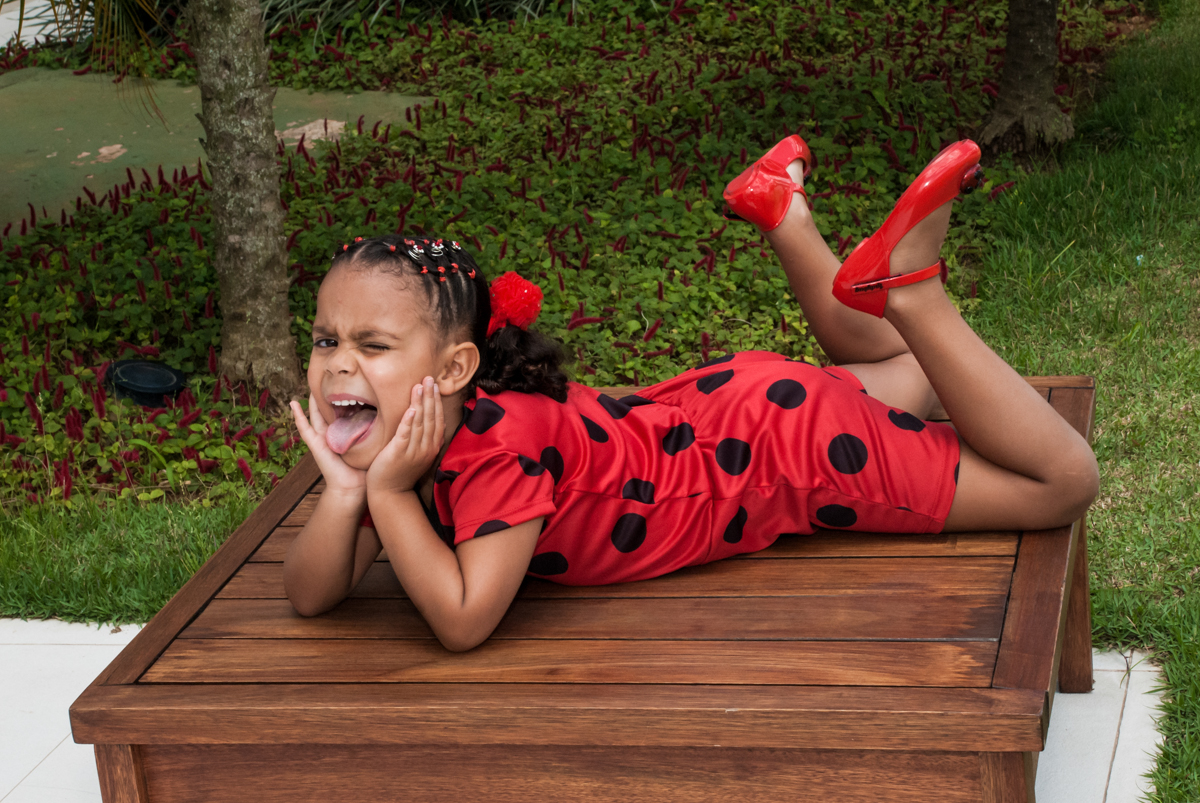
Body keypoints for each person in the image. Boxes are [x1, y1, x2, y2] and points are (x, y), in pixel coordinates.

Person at [284, 136, 1100, 652]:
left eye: (372, 345)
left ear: (457, 368)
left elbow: (464, 620)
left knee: (1062, 482)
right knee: (913, 372)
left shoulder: (493, 450)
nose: (338, 365)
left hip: (784, 453)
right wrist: (350, 492)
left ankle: (913, 292)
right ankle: (784, 212)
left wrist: (386, 494)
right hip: (737, 411)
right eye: (325, 341)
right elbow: (312, 595)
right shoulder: (423, 434)